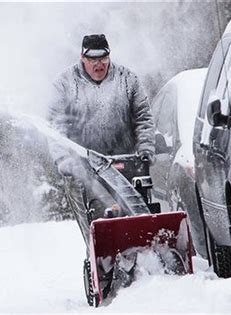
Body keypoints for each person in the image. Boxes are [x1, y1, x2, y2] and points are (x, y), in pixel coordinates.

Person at [48, 34, 155, 253]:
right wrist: (64, 160)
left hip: (126, 165)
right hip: (84, 171)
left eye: (103, 58)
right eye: (93, 59)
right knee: (97, 228)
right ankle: (102, 265)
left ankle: (147, 255)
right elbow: (55, 126)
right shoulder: (64, 84)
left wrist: (145, 149)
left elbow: (143, 117)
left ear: (109, 55)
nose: (99, 65)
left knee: (139, 217)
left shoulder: (128, 80)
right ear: (82, 58)